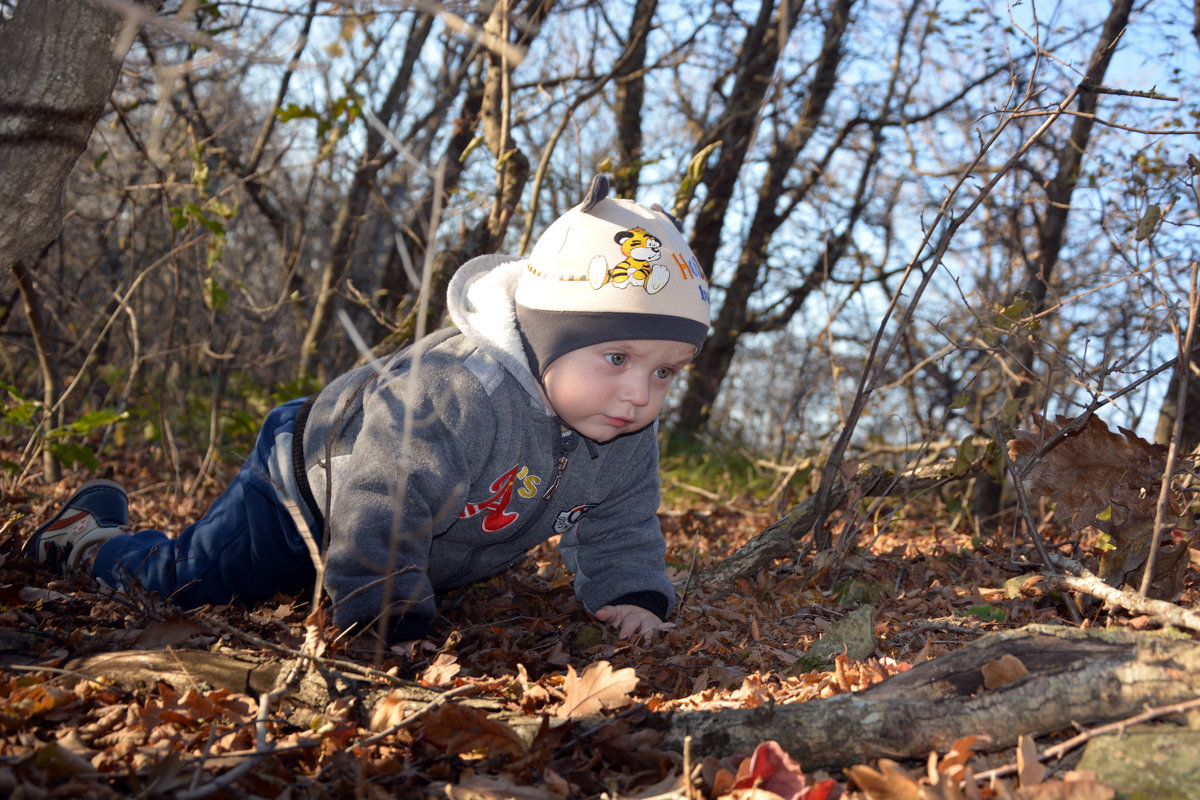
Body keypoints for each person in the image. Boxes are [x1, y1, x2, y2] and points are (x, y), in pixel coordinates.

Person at [21, 175, 711, 644]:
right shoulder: (459, 389)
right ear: (553, 333)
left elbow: (621, 521)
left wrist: (635, 595)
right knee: (189, 584)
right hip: (305, 497)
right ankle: (87, 540)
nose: (638, 394)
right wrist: (393, 620)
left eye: (666, 374)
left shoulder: (624, 432)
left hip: (418, 545)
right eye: (617, 358)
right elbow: (385, 493)